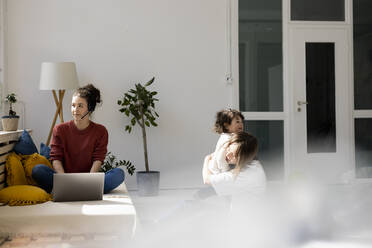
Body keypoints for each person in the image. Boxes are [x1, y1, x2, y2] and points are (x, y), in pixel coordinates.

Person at [32, 84, 125, 194]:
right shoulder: (59, 130)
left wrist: (89, 181)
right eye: (73, 105)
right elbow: (56, 159)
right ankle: (74, 190)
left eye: (80, 106)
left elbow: (98, 159)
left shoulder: (101, 131)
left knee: (119, 174)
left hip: (89, 180)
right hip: (65, 179)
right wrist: (64, 181)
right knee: (38, 170)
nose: (75, 109)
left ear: (90, 108)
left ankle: (79, 190)